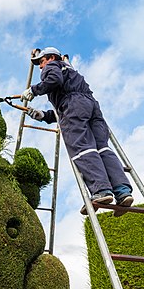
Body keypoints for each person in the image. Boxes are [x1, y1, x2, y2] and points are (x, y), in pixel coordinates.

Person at [21, 46, 133, 215]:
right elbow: (67, 107)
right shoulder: (72, 73)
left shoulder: (53, 67)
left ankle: (101, 190)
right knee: (102, 148)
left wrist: (34, 90)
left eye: (41, 62)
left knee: (81, 147)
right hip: (91, 105)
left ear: (51, 57)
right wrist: (43, 115)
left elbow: (57, 85)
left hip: (74, 105)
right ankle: (122, 191)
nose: (40, 67)